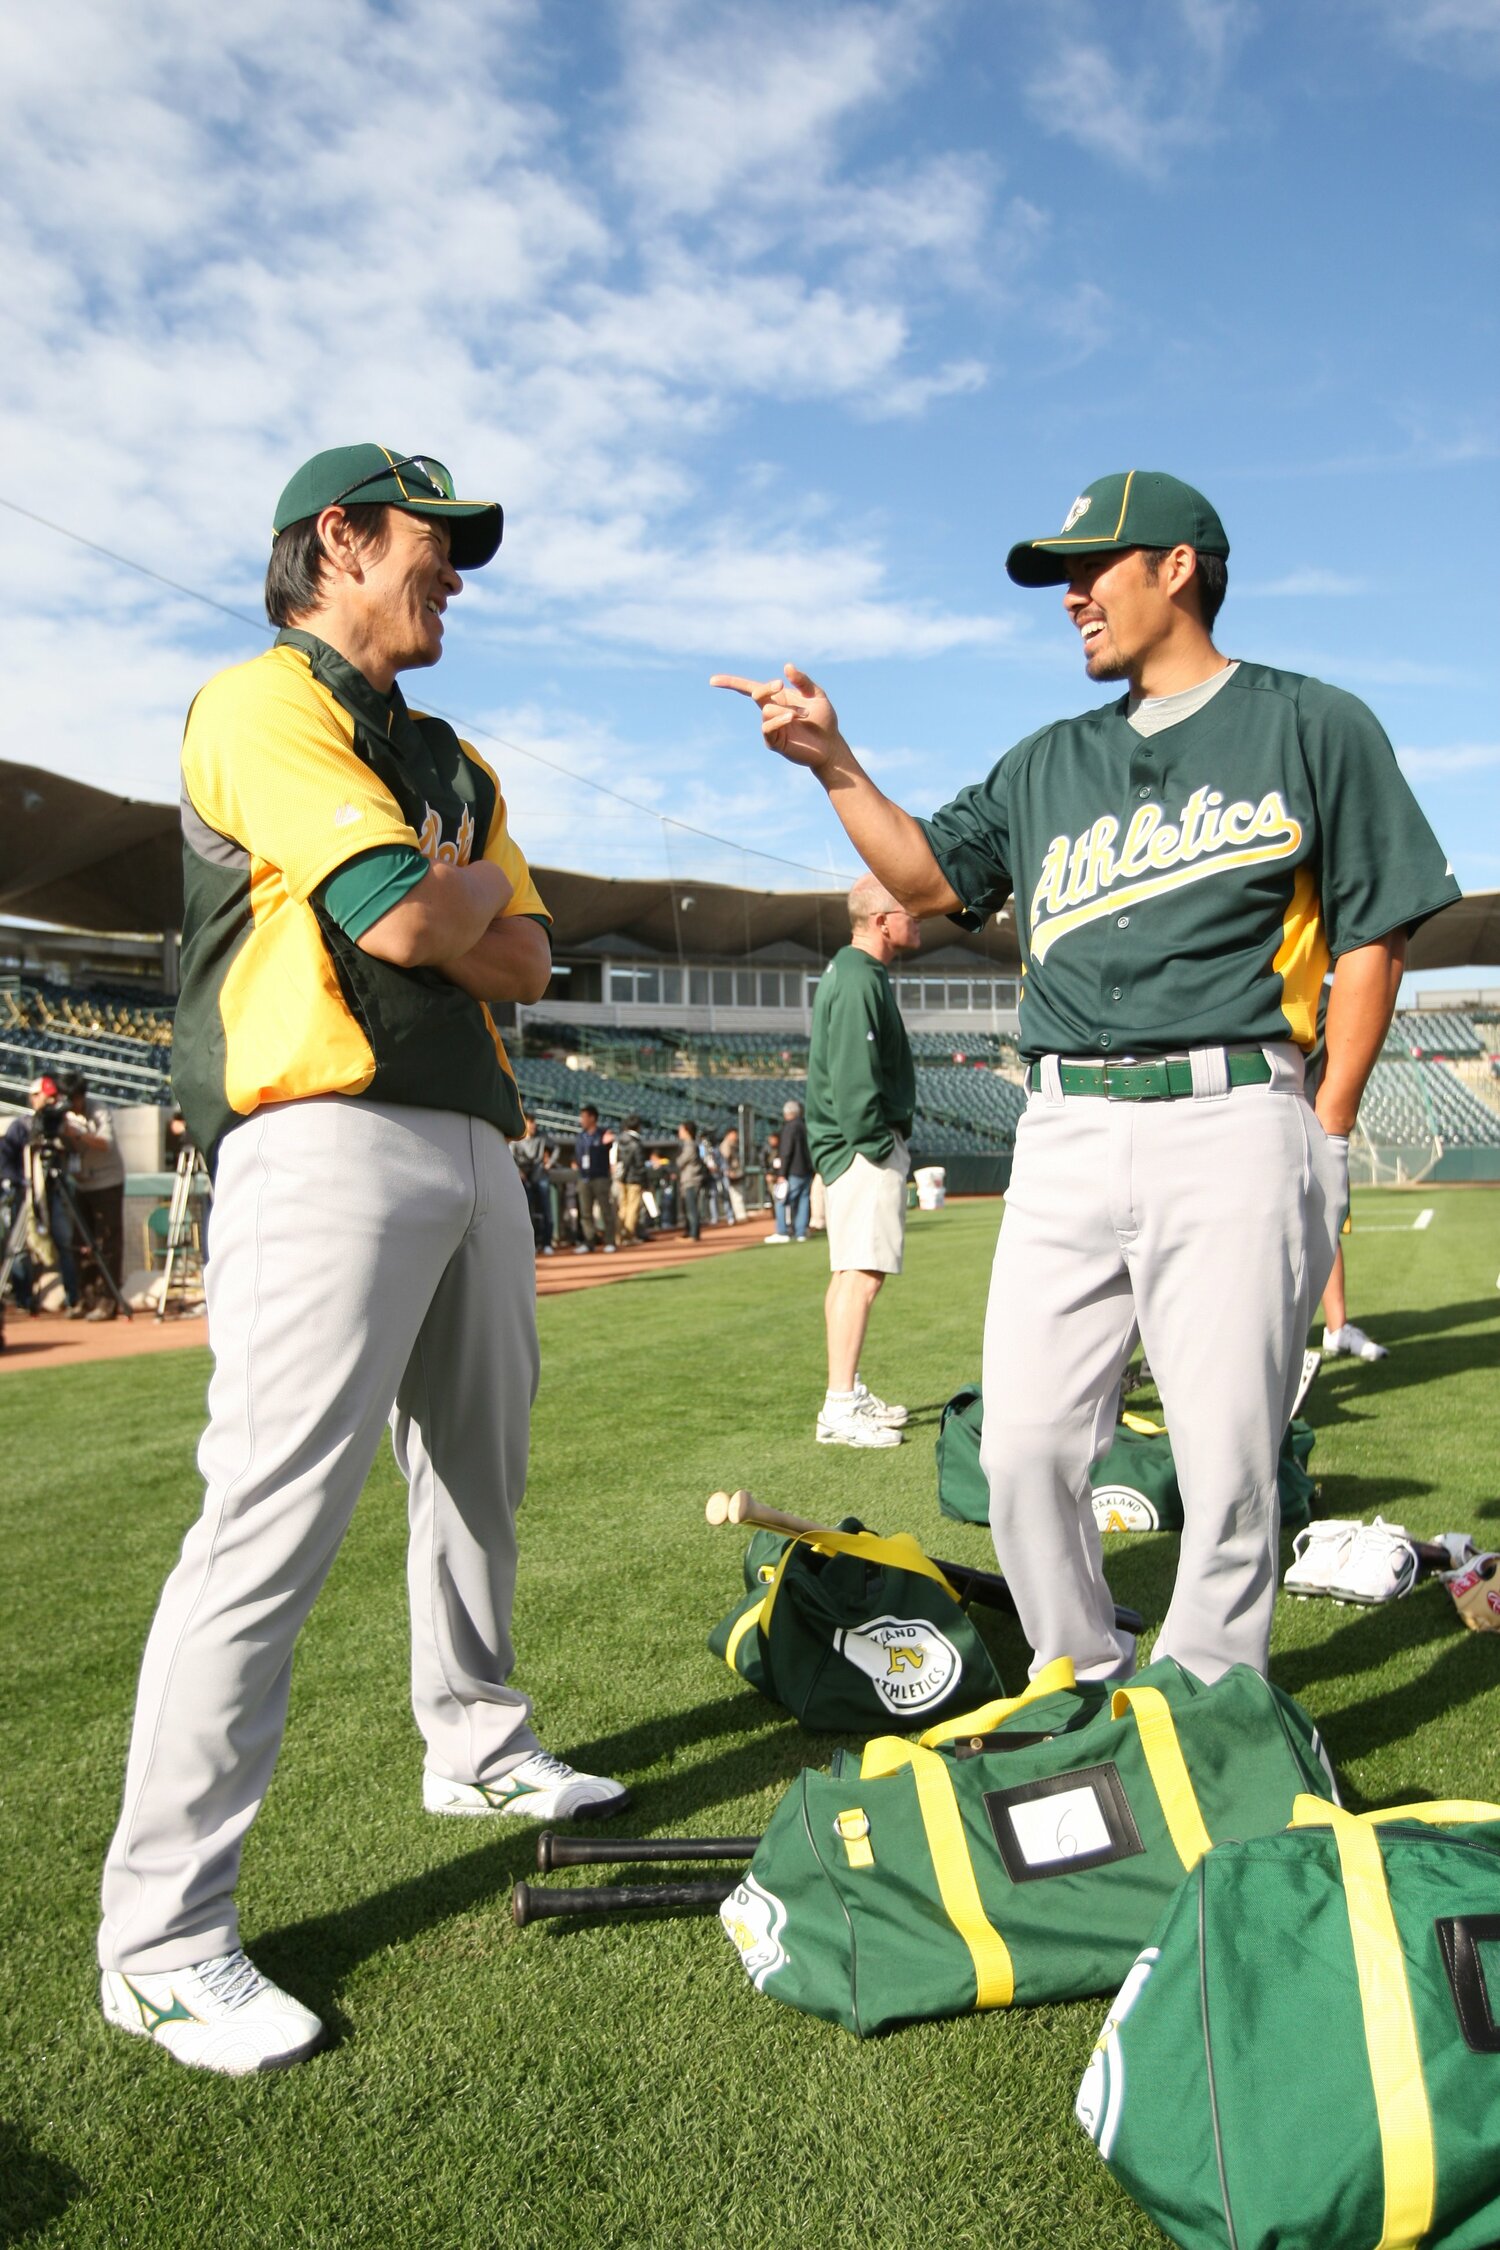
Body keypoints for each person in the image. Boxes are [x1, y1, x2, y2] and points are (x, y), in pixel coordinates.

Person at [714, 467, 1459, 1680]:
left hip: (1233, 1114)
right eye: (1062, 575)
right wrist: (832, 763)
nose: (1070, 595)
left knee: (1226, 1454)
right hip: (1061, 1127)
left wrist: (1329, 1121)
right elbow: (922, 882)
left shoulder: (1313, 722)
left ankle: (1213, 1694)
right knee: (1023, 1449)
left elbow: (1378, 933)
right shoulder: (1045, 762)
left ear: (1178, 568)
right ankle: (1081, 1669)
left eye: (1092, 567)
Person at [98, 442, 626, 2078]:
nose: (454, 570)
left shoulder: (451, 750)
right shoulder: (257, 701)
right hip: (318, 1128)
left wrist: (443, 896)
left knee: (482, 1473)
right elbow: (407, 928)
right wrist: (445, 898)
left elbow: (529, 960)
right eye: (430, 542)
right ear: (337, 542)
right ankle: (164, 1941)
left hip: (475, 1131)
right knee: (267, 1518)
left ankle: (474, 1745)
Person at [799, 882, 921, 1444]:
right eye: (907, 910)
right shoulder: (855, 978)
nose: (916, 917)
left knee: (850, 1271)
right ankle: (840, 1406)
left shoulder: (858, 973)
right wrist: (875, 1145)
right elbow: (853, 1079)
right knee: (862, 1277)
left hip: (852, 1146)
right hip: (860, 1148)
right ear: (880, 919)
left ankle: (844, 1395)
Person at [63, 1073, 127, 1319]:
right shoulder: (62, 1114)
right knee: (80, 1243)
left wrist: (76, 1135)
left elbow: (105, 1143)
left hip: (108, 1182)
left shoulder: (99, 1110)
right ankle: (86, 1298)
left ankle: (108, 1301)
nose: (70, 1104)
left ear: (81, 1097)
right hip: (81, 1184)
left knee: (108, 1242)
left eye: (74, 1099)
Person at [768, 1099, 814, 1244]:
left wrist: (781, 1174)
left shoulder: (790, 1127)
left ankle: (782, 1231)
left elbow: (786, 1152)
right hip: (806, 1170)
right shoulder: (805, 1125)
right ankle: (801, 1232)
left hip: (793, 1171)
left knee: (781, 1200)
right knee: (803, 1200)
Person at [573, 1104, 616, 1253]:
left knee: (606, 1210)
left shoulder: (603, 1133)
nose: (581, 1120)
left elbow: (612, 1144)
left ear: (592, 1118)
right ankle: (589, 1241)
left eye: (584, 1117)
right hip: (584, 1177)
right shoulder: (581, 1136)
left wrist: (608, 1142)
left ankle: (610, 1241)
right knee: (585, 1213)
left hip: (600, 1177)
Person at [512, 1112, 556, 1254]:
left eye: (534, 1123)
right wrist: (518, 1170)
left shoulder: (542, 1136)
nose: (533, 1126)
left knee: (546, 1209)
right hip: (525, 1179)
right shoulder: (516, 1138)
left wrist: (549, 1163)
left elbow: (556, 1148)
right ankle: (533, 1244)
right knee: (527, 1212)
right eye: (530, 1123)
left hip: (540, 1176)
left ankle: (547, 1243)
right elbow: (510, 1156)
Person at [614, 1114, 647, 1242]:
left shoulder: (620, 1140)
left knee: (623, 1207)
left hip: (621, 1178)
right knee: (632, 1208)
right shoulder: (636, 1142)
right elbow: (639, 1164)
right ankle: (628, 1235)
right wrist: (644, 1182)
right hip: (634, 1179)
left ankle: (618, 1236)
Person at [676, 1120, 706, 1240]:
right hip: (689, 1179)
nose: (679, 1132)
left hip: (691, 1180)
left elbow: (680, 1162)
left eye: (681, 1130)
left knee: (691, 1208)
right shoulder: (689, 1144)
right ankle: (690, 1232)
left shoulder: (690, 1145)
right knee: (688, 1208)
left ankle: (694, 1234)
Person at [718, 1127, 747, 1222]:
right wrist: (729, 1171)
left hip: (734, 1171)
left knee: (736, 1194)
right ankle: (737, 1216)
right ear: (729, 1134)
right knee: (734, 1194)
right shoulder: (726, 1144)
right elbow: (725, 1160)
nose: (736, 1136)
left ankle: (736, 1216)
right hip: (729, 1173)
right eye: (734, 1134)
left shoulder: (732, 1144)